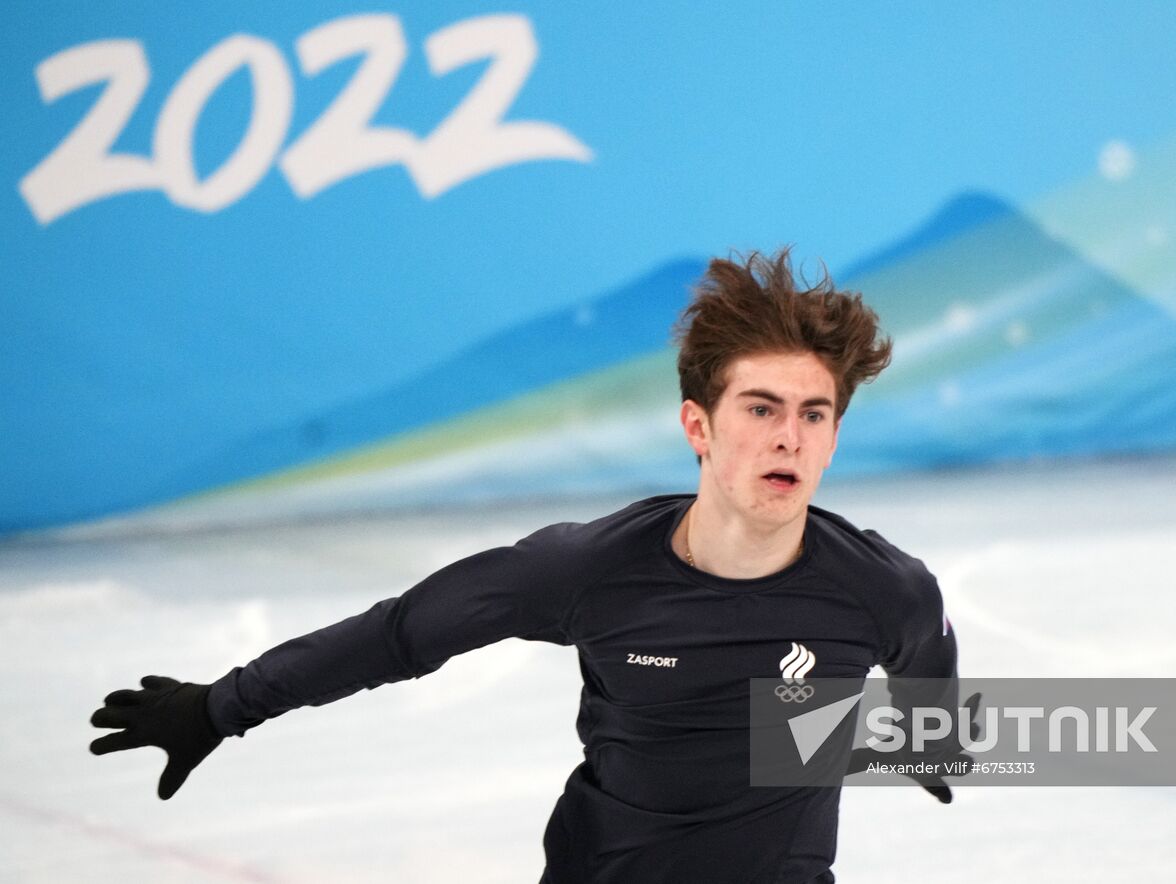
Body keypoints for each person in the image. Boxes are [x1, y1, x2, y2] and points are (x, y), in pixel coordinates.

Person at [90, 249, 965, 883]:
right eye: (763, 407)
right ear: (698, 426)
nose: (789, 436)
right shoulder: (589, 572)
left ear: (836, 434)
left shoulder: (881, 590)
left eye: (814, 414)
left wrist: (933, 749)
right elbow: (400, 635)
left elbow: (931, 681)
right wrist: (219, 706)